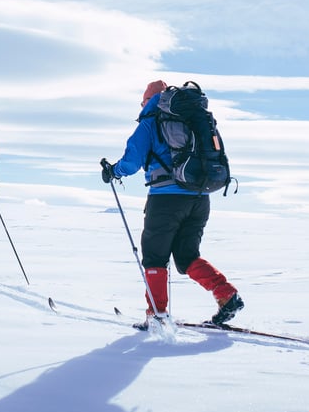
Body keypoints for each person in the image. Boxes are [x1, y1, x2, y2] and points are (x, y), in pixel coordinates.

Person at [101, 80, 244, 327]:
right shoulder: (193, 118)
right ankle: (226, 294)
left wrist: (114, 171)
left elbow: (132, 162)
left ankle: (157, 315)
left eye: (142, 101)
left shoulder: (150, 122)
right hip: (200, 197)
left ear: (148, 101)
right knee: (187, 256)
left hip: (166, 200)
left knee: (155, 257)